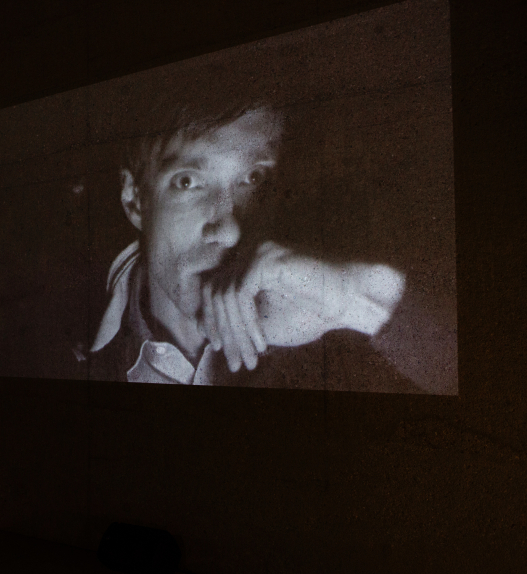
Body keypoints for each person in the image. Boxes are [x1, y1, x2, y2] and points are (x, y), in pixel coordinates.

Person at [87, 100, 457, 395]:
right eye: (188, 182)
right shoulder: (54, 345)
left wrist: (351, 297)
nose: (230, 231)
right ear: (135, 199)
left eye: (253, 178)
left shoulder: (324, 329)